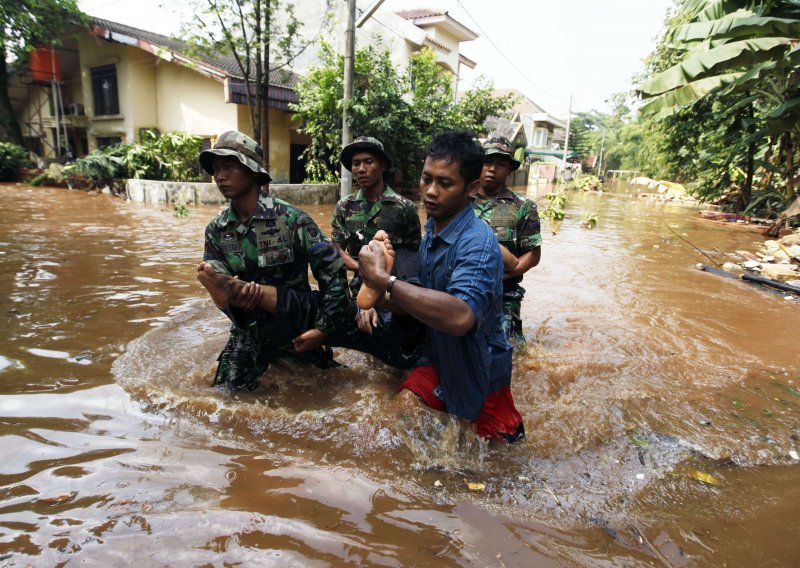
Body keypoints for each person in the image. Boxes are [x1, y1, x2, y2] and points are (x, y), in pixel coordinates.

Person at [358, 131, 524, 442]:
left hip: (479, 370)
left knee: (492, 460)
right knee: (398, 417)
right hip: (438, 355)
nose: (431, 191)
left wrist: (385, 281)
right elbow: (423, 298)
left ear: (471, 188)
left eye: (445, 183)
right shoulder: (434, 227)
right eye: (426, 179)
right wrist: (382, 296)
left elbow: (461, 317)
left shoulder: (479, 244)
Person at [195, 131, 350, 391]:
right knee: (223, 400)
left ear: (253, 172)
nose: (220, 176)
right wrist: (219, 287)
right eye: (216, 169)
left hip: (296, 327)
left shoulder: (292, 220)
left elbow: (333, 274)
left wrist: (323, 330)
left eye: (229, 167)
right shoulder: (217, 230)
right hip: (249, 332)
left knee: (330, 393)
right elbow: (222, 291)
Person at [331, 136, 421, 329]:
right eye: (356, 164)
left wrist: (383, 283)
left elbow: (413, 255)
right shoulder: (344, 207)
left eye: (368, 162)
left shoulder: (404, 208)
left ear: (382, 166)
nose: (361, 169)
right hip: (357, 289)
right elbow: (336, 250)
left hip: (394, 290)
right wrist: (364, 271)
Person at [472, 136, 542, 343]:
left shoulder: (523, 206)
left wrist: (507, 274)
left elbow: (533, 253)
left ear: (510, 169)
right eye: (487, 162)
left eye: (500, 164)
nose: (492, 169)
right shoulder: (458, 199)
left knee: (508, 349)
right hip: (461, 289)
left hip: (505, 295)